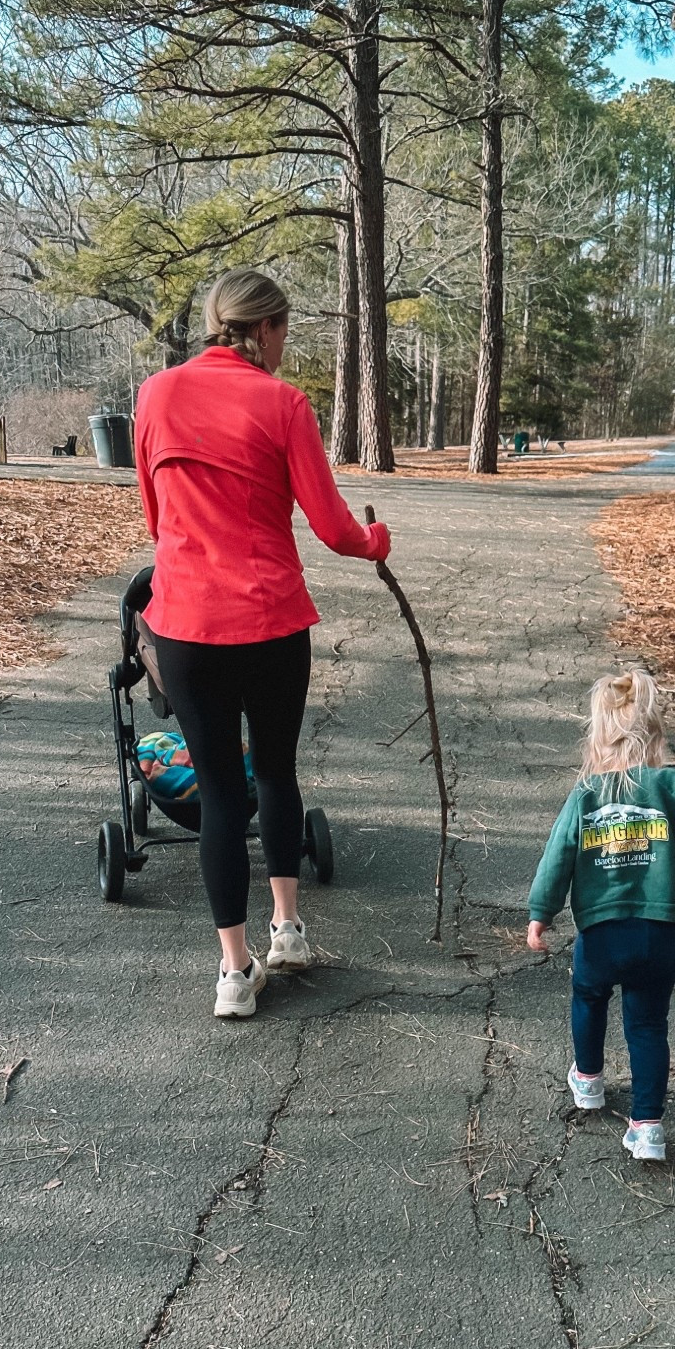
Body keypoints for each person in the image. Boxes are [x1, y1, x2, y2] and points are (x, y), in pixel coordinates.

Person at [134, 269, 391, 1018]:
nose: (285, 347)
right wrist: (377, 541)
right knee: (275, 773)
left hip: (184, 625)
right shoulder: (283, 404)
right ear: (267, 329)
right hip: (271, 622)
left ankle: (234, 972)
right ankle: (287, 928)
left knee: (219, 793)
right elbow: (335, 528)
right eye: (286, 333)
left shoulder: (156, 395)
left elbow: (155, 514)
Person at [526, 671, 675, 1161]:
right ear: (656, 732)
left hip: (601, 932)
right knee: (647, 1024)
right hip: (658, 933)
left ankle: (588, 1080)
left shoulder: (585, 794)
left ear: (599, 735)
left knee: (589, 996)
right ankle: (647, 1126)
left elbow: (557, 856)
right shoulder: (673, 785)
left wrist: (541, 913)